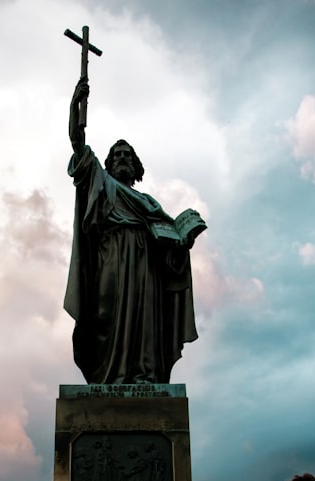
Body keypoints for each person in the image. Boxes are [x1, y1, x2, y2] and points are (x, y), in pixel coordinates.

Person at [64, 76, 205, 384]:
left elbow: (168, 250)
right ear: (109, 163)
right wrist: (76, 104)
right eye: (117, 155)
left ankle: (144, 374)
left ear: (137, 165)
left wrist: (181, 243)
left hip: (146, 266)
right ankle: (107, 377)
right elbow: (78, 145)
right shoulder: (102, 183)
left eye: (128, 155)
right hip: (112, 255)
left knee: (145, 323)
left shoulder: (148, 202)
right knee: (108, 315)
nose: (123, 158)